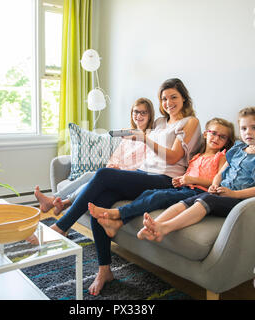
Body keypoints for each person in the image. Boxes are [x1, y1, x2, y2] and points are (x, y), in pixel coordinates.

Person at [46, 78, 203, 296]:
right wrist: (135, 137)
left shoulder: (190, 122)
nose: (168, 102)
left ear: (184, 97)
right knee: (99, 202)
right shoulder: (159, 122)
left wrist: (144, 139)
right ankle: (104, 270)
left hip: (166, 178)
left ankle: (61, 226)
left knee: (103, 174)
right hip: (144, 173)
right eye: (164, 98)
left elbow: (175, 156)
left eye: (173, 97)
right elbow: (146, 144)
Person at [138, 107, 255, 242]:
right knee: (188, 201)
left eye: (254, 128)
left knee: (208, 200)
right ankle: (154, 225)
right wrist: (214, 185)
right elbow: (220, 174)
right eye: (244, 128)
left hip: (240, 201)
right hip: (220, 193)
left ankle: (165, 228)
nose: (248, 132)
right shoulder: (237, 149)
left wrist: (234, 194)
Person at [88, 117, 235, 238]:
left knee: (159, 196)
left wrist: (192, 180)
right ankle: (118, 224)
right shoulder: (196, 156)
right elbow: (187, 175)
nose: (216, 138)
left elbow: (217, 182)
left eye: (222, 136)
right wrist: (181, 179)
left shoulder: (221, 157)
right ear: (205, 134)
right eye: (213, 133)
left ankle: (118, 213)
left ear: (227, 141)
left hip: (199, 193)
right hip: (184, 189)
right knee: (149, 193)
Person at [32, 97, 155, 216]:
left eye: (143, 113)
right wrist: (111, 165)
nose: (138, 116)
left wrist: (121, 170)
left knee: (94, 177)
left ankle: (60, 202)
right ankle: (56, 200)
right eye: (136, 112)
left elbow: (144, 166)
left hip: (130, 178)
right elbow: (115, 157)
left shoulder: (151, 137)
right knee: (89, 175)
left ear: (149, 116)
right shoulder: (127, 135)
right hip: (115, 174)